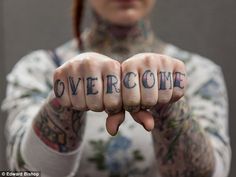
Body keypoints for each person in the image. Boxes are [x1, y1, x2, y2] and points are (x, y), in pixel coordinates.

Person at [1, 0, 231, 177]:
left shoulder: (199, 73)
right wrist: (63, 101)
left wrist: (170, 102)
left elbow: (213, 173)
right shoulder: (40, 69)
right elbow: (26, 172)